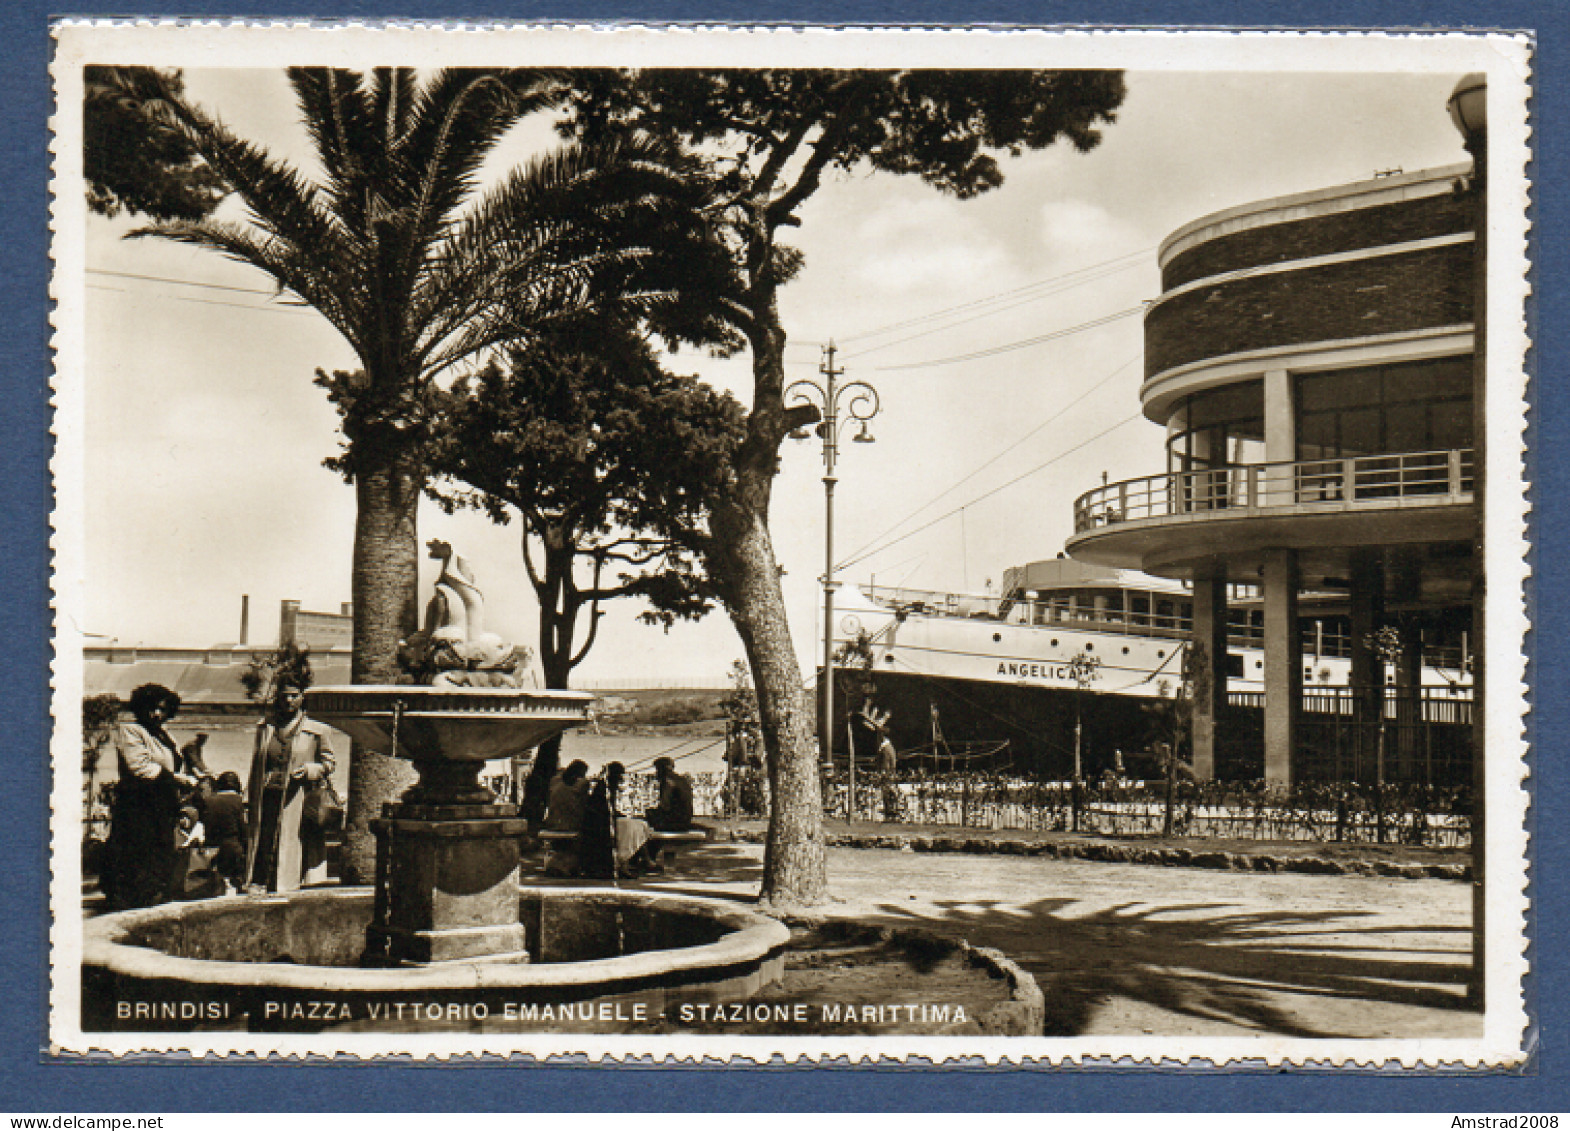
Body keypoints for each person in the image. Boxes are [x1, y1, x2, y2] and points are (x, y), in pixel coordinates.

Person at [101, 683, 197, 910]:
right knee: (137, 850)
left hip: (161, 803)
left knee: (160, 850)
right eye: (152, 708)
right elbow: (140, 767)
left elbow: (173, 763)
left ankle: (153, 895)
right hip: (138, 803)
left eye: (162, 709)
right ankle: (131, 900)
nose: (157, 714)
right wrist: (177, 779)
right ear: (140, 708)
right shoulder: (131, 731)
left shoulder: (164, 735)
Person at [244, 680, 336, 893]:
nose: (288, 700)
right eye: (284, 695)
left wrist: (310, 770)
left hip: (297, 796)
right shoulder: (265, 727)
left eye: (294, 695)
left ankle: (288, 884)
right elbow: (255, 764)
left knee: (291, 840)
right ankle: (258, 881)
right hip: (266, 794)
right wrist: (248, 795)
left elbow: (329, 763)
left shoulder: (317, 729)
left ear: (302, 697)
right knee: (263, 837)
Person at [202, 771, 248, 894]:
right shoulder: (238, 801)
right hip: (232, 847)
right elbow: (242, 829)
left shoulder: (208, 800)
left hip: (211, 848)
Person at [542, 760, 591, 876]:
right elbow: (584, 805)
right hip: (570, 824)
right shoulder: (582, 785)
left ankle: (560, 864)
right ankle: (571, 866)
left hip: (552, 823)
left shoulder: (555, 781)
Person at [644, 757, 694, 832]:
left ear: (662, 769)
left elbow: (665, 806)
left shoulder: (667, 782)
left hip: (674, 821)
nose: (656, 772)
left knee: (649, 813)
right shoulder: (682, 780)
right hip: (685, 819)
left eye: (657, 769)